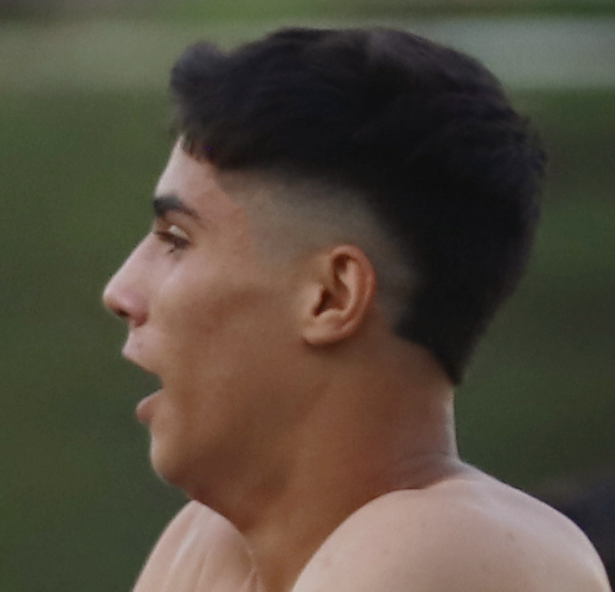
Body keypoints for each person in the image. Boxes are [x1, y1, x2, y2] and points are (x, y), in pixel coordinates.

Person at [102, 27, 611, 592]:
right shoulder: (207, 544)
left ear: (331, 296)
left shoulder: (450, 543)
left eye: (177, 239)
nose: (119, 292)